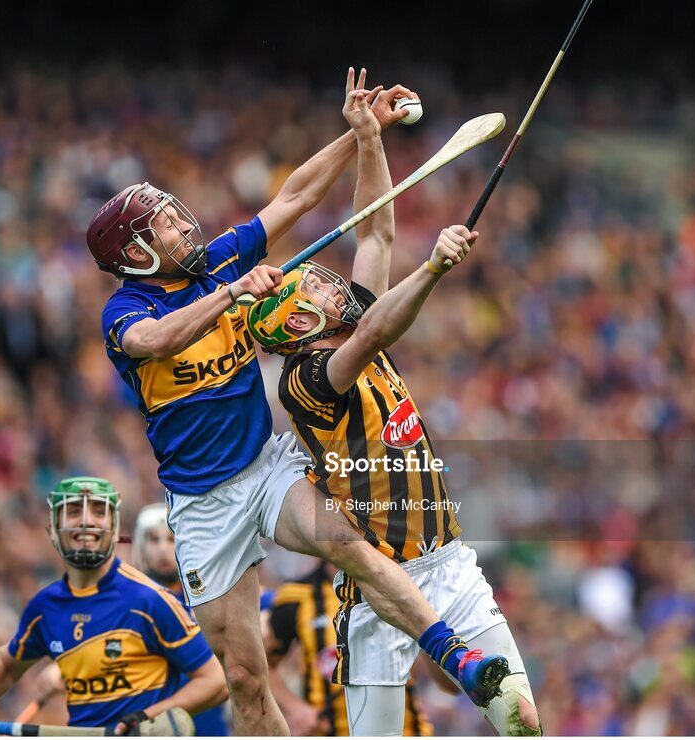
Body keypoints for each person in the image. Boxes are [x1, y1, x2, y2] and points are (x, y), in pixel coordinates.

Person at [87, 69, 512, 735]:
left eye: (172, 213)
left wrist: (357, 135)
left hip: (264, 466)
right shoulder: (127, 308)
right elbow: (156, 340)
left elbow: (297, 195)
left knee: (349, 545)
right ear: (137, 254)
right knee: (247, 681)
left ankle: (456, 656)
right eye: (164, 225)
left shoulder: (217, 262)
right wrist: (231, 295)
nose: (182, 223)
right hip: (203, 504)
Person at [246, 85, 542, 735]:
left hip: (450, 563)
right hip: (381, 593)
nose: (331, 283)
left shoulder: (348, 323)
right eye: (317, 286)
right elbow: (377, 332)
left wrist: (371, 141)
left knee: (521, 720)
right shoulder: (306, 379)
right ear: (297, 320)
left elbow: (377, 229)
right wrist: (433, 267)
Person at [0, 477, 228, 735]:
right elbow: (7, 663)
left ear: (115, 529)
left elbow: (216, 682)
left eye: (99, 512)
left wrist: (146, 717)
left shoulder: (150, 600)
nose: (87, 521)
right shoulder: (45, 606)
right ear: (53, 530)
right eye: (74, 511)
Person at [263, 557, 435, 736]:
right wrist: (295, 709)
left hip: (407, 732)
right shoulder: (296, 594)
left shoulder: (400, 584)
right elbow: (261, 665)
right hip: (329, 731)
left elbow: (444, 682)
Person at [132, 504, 231, 736]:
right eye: (154, 540)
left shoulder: (210, 595)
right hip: (148, 724)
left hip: (207, 726)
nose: (163, 549)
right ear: (140, 546)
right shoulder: (131, 601)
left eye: (170, 538)